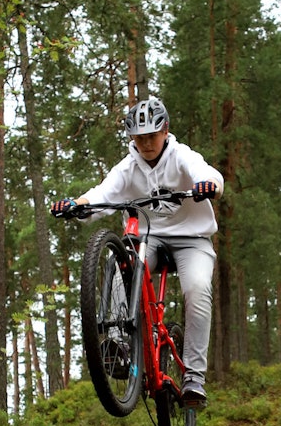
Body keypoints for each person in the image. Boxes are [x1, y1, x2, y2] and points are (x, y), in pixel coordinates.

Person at [51, 97, 224, 405]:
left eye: (151, 135)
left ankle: (194, 377)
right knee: (122, 266)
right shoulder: (128, 166)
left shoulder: (181, 155)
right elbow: (102, 194)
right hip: (149, 238)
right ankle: (120, 346)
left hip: (192, 237)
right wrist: (77, 205)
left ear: (165, 131)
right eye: (139, 137)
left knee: (197, 289)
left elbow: (207, 174)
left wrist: (208, 185)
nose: (145, 143)